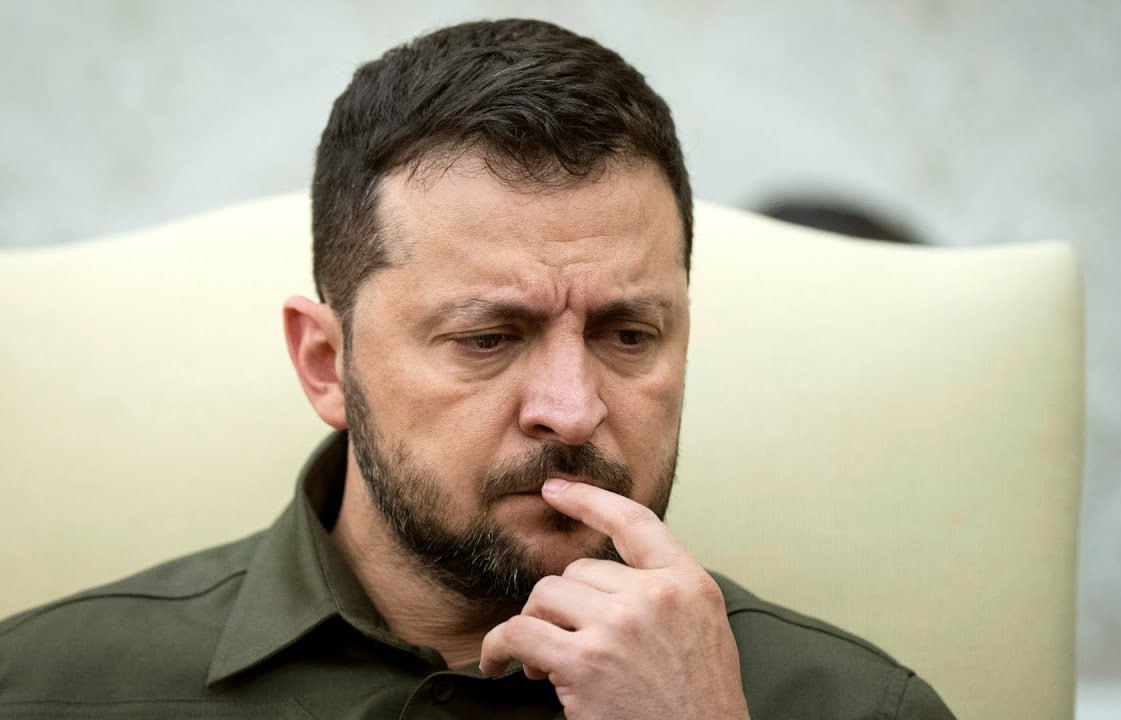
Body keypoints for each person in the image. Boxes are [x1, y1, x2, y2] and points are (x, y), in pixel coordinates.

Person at [0, 18, 954, 719]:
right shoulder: (47, 690)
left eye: (627, 335)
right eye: (487, 337)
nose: (571, 411)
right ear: (326, 364)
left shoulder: (861, 708)